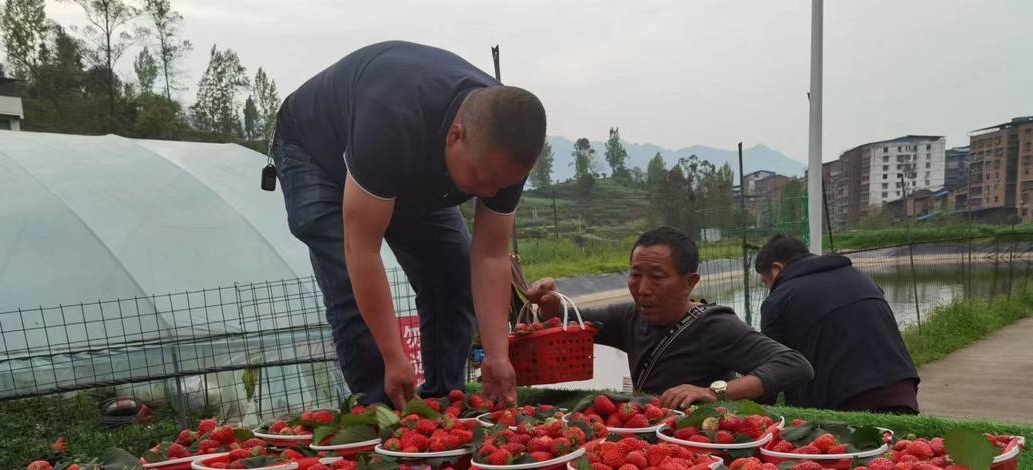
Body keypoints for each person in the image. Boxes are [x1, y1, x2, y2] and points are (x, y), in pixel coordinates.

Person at [272, 41, 546, 408]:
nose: (489, 192)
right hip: (315, 153)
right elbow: (362, 249)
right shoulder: (391, 118)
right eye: (482, 178)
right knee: (348, 283)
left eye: (502, 184)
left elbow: (490, 256)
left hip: (410, 167)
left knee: (452, 275)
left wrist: (497, 355)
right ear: (455, 135)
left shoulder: (504, 150)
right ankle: (383, 411)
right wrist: (393, 356)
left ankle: (443, 405)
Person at [526, 227, 813, 409]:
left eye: (657, 277)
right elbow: (571, 320)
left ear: (689, 282)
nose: (643, 289)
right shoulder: (628, 315)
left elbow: (795, 365)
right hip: (648, 442)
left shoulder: (714, 326)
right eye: (635, 275)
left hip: (696, 449)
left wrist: (714, 393)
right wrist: (550, 304)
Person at [756, 235, 919, 413]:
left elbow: (771, 373)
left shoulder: (778, 300)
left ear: (777, 268)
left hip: (844, 401)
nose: (768, 288)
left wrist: (753, 408)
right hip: (902, 389)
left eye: (765, 282)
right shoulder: (861, 277)